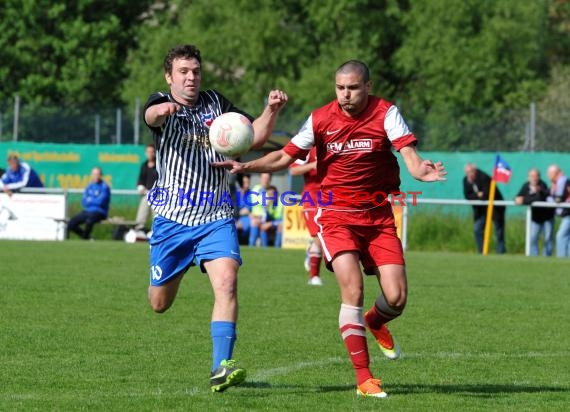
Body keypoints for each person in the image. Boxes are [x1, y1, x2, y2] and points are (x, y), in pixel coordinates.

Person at [214, 60, 446, 398]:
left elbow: (407, 152)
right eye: (340, 88)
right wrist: (246, 164)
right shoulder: (321, 118)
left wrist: (419, 170)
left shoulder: (386, 113)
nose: (346, 95)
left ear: (368, 86)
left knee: (396, 298)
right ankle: (365, 379)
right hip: (334, 214)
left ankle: (375, 321)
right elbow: (285, 157)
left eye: (352, 88)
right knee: (351, 290)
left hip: (378, 216)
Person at [143, 44, 287, 392]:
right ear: (169, 76)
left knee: (227, 282)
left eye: (195, 71)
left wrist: (271, 110)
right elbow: (151, 116)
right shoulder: (159, 101)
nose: (191, 77)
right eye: (183, 72)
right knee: (159, 303)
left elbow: (255, 135)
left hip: (216, 216)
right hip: (173, 220)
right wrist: (162, 110)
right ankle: (172, 273)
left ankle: (221, 367)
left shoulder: (217, 104)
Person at [289, 147, 323, 285]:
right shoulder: (309, 149)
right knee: (319, 240)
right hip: (312, 199)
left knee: (327, 240)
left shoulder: (335, 145)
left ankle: (312, 249)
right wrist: (314, 165)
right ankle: (314, 277)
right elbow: (293, 170)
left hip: (332, 198)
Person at [463, 163, 506, 254]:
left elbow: (485, 195)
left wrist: (478, 195)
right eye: (467, 172)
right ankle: (481, 251)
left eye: (471, 172)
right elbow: (467, 196)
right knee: (477, 229)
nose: (469, 174)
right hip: (481, 210)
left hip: (496, 208)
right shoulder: (466, 180)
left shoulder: (484, 178)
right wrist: (477, 195)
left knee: (499, 230)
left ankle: (500, 252)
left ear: (475, 171)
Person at [515, 168, 554, 256]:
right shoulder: (526, 186)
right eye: (532, 176)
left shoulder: (542, 185)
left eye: (536, 176)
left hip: (546, 217)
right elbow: (518, 197)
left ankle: (547, 257)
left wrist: (524, 200)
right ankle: (534, 256)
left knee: (548, 238)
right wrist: (517, 199)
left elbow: (538, 198)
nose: (534, 178)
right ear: (528, 177)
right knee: (532, 238)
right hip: (535, 218)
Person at [67, 167, 111, 240]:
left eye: (97, 174)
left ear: (101, 175)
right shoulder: (89, 186)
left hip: (99, 212)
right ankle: (87, 237)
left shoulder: (104, 187)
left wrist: (90, 200)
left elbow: (100, 202)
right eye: (94, 174)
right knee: (71, 224)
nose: (96, 176)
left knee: (89, 221)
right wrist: (93, 200)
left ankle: (85, 238)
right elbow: (84, 201)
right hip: (87, 210)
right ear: (91, 175)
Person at [547, 165, 570, 257]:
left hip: (568, 213)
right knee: (567, 238)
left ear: (555, 173)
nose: (548, 175)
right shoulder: (556, 183)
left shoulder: (562, 181)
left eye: (549, 173)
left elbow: (559, 199)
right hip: (566, 214)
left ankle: (561, 258)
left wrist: (549, 198)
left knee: (560, 236)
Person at [134, 144, 158, 232]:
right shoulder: (144, 165)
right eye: (148, 152)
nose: (150, 154)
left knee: (156, 216)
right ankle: (139, 230)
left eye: (152, 152)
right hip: (146, 194)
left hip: (157, 195)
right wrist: (140, 187)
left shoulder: (159, 165)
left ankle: (155, 232)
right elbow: (141, 179)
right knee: (142, 213)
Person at [248, 172, 272, 246]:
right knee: (255, 223)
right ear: (260, 179)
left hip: (267, 218)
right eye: (264, 178)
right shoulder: (256, 190)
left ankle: (265, 249)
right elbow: (258, 204)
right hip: (256, 217)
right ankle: (251, 247)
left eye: (267, 178)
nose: (265, 180)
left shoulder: (271, 191)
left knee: (262, 226)